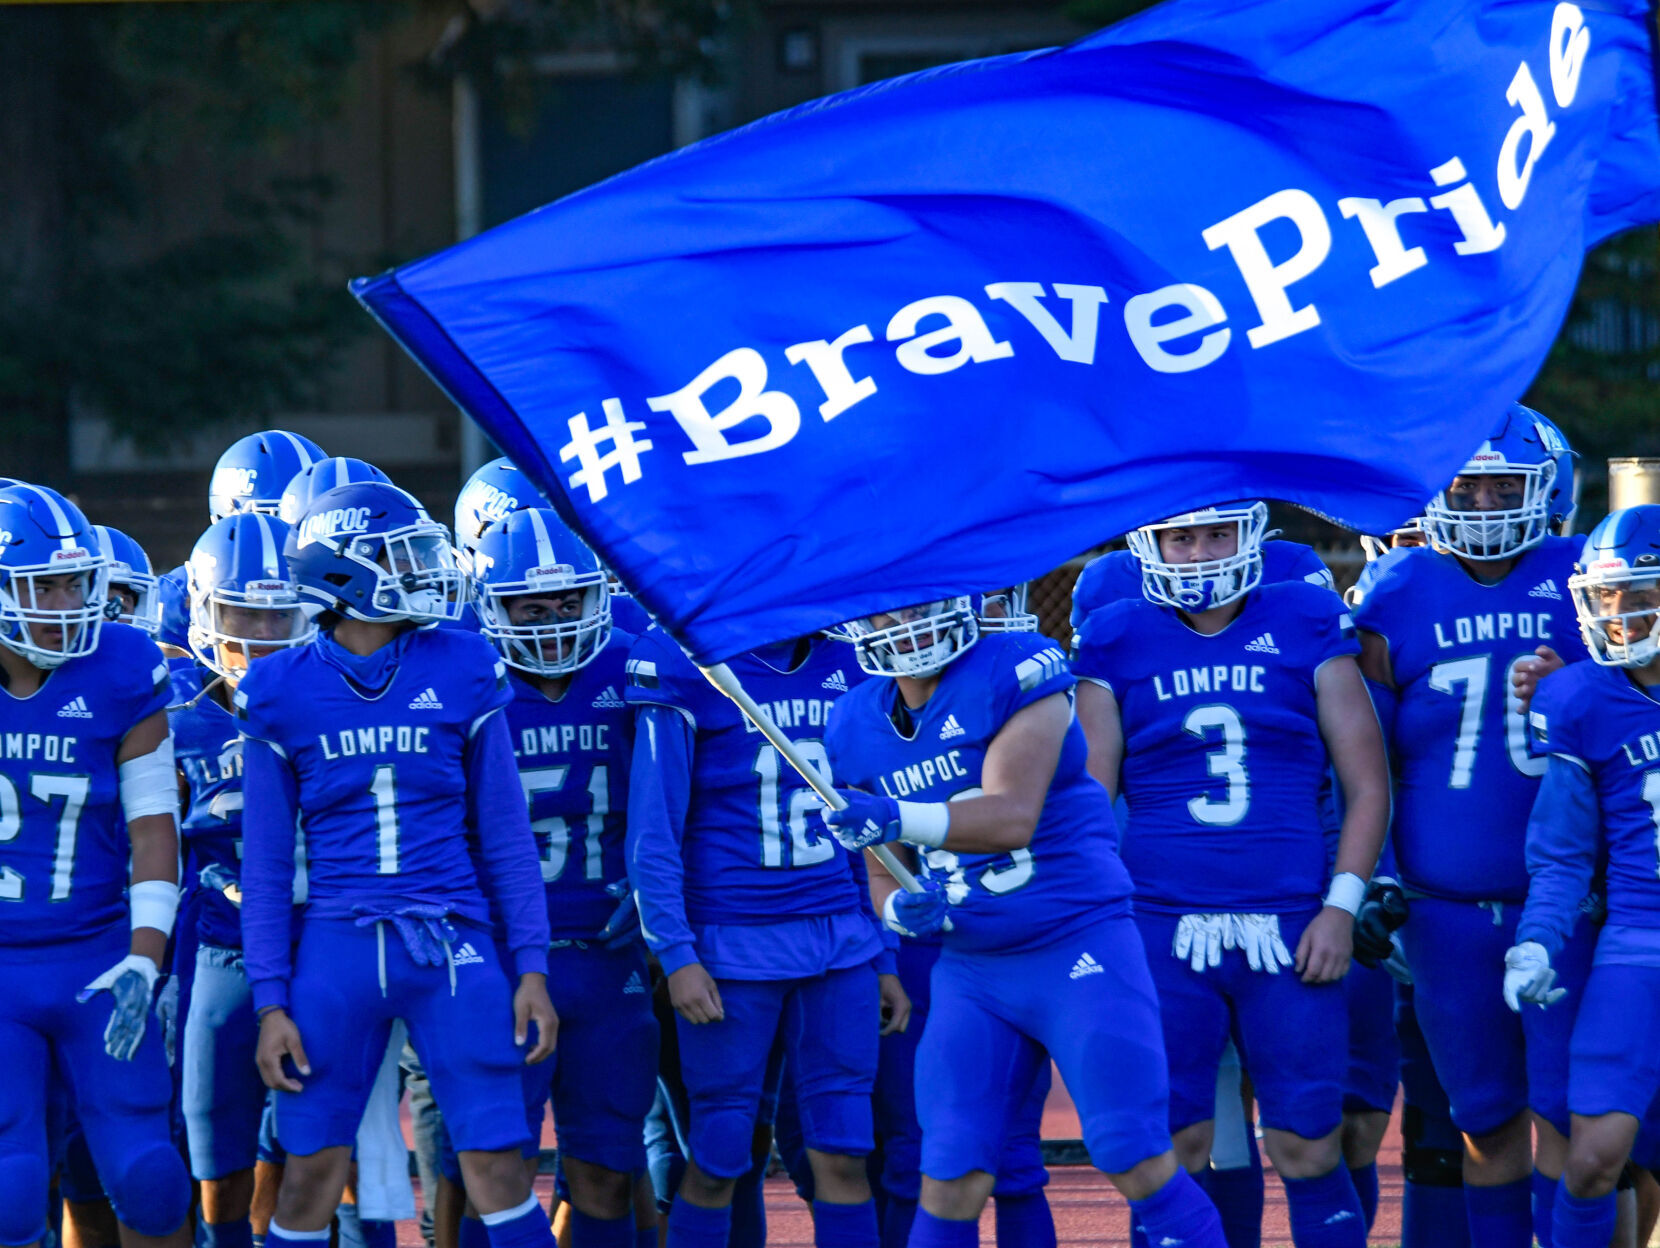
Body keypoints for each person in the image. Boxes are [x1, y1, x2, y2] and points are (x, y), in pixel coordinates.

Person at [822, 594, 1227, 1248]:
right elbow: (881, 871)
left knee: (1134, 1153)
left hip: (1075, 942)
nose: (908, 623)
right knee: (949, 1174)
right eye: (890, 610)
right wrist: (900, 908)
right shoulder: (851, 722)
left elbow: (1012, 815)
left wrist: (896, 814)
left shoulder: (1018, 664)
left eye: (923, 603)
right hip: (974, 966)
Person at [235, 480, 559, 1247]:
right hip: (338, 945)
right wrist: (269, 1001)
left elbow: (507, 834)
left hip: (452, 938)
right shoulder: (279, 687)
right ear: (345, 572)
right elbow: (269, 866)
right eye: (401, 554)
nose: (424, 568)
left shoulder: (463, 662)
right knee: (310, 1171)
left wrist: (533, 966)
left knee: (498, 1166)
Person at [1070, 502, 1389, 1248]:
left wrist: (1341, 907)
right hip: (1162, 924)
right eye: (1181, 536)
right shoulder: (1116, 636)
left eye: (1218, 532)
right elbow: (1088, 804)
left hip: (1290, 922)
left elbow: (1367, 783)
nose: (1201, 552)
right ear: (1149, 545)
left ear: (1252, 532)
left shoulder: (1305, 616)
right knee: (1171, 1149)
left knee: (1308, 1143)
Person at [1353, 405, 1590, 1248]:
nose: (1486, 504)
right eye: (1468, 486)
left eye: (1504, 486)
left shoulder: (1582, 577)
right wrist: (1372, 874)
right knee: (1485, 1123)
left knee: (1582, 1126)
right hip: (1445, 907)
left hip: (1566, 904)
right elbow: (1365, 761)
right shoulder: (1399, 589)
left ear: (1548, 490)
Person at [625, 619, 905, 1248]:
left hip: (839, 943)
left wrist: (880, 951)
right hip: (731, 943)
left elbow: (857, 829)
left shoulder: (851, 662)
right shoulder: (685, 660)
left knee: (843, 1151)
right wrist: (675, 952)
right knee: (721, 1151)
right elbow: (654, 828)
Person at [457, 506, 657, 1248]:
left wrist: (657, 895)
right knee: (496, 1168)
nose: (550, 621)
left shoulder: (635, 664)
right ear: (492, 604)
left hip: (610, 952)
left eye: (566, 601)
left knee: (606, 1167)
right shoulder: (463, 677)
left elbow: (680, 806)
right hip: (505, 960)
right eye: (528, 606)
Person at [0, 482, 192, 1246]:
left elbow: (154, 829)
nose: (66, 601)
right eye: (42, 583)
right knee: (11, 1189)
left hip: (99, 954)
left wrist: (146, 962)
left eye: (74, 581)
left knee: (149, 1178)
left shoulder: (121, 667)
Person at [1508, 504, 1660, 1248]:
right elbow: (1563, 851)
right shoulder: (1582, 700)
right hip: (1640, 939)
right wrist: (1537, 941)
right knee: (1595, 1156)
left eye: (1637, 593)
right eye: (1606, 598)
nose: (1619, 615)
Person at [173, 512, 316, 1248]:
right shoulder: (175, 710)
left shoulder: (326, 692)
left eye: (276, 611)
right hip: (219, 945)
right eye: (241, 612)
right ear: (202, 611)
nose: (261, 631)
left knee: (322, 1154)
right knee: (215, 1156)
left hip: (320, 940)